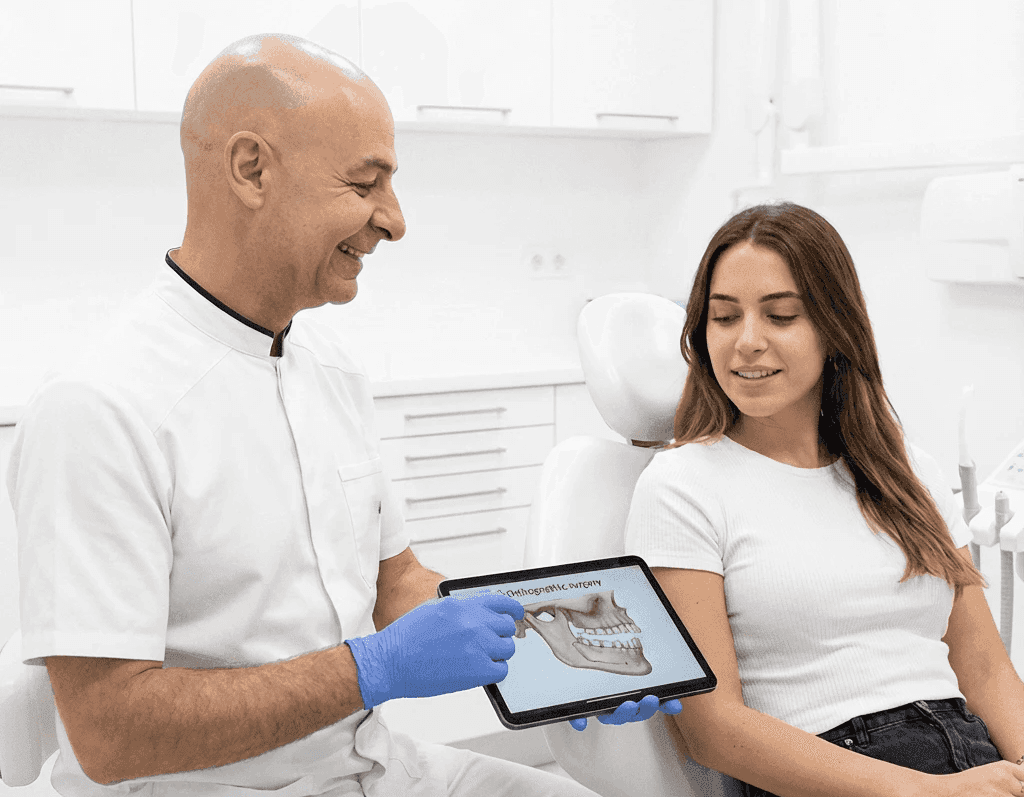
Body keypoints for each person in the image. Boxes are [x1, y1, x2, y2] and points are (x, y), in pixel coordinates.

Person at [6, 34, 678, 797]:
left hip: (372, 768)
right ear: (252, 169)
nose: (394, 219)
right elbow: (110, 732)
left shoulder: (329, 368)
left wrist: (565, 657)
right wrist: (373, 668)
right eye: (366, 183)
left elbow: (398, 581)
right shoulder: (99, 408)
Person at [624, 201, 1024, 797]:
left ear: (835, 327)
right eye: (724, 317)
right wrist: (928, 793)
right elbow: (713, 732)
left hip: (970, 754)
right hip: (836, 773)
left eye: (781, 316)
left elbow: (987, 670)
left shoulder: (906, 469)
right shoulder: (681, 486)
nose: (747, 342)